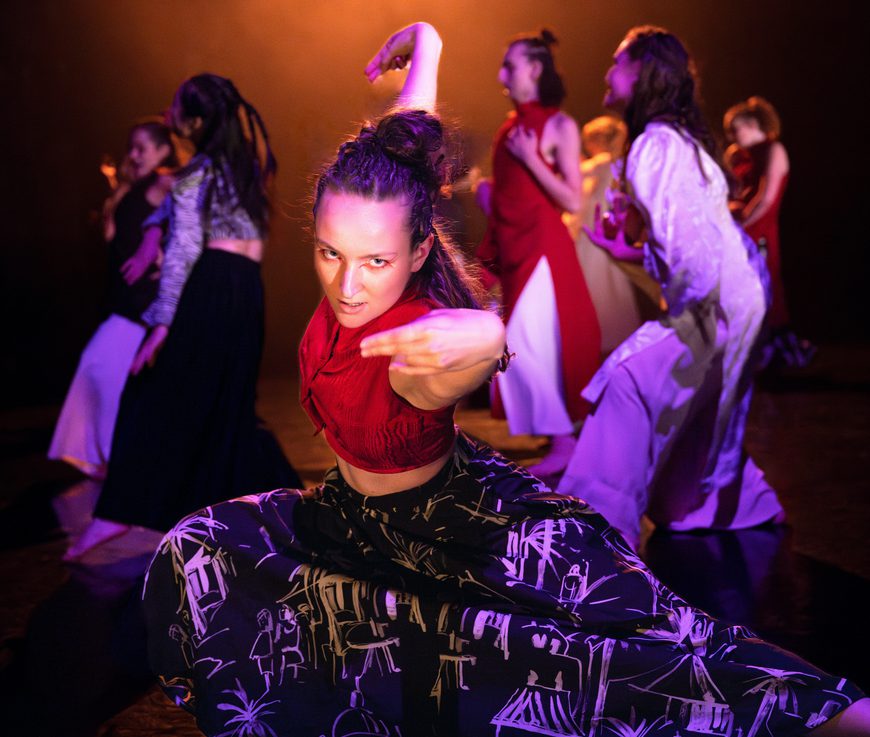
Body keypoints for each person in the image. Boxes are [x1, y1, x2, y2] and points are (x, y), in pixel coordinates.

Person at [141, 23, 869, 737]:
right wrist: (426, 42)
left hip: (447, 538)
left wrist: (483, 337)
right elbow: (406, 144)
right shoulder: (377, 207)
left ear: (419, 249)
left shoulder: (419, 336)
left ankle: (837, 716)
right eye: (330, 253)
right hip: (348, 521)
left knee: (636, 660)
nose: (348, 285)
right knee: (198, 551)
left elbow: (472, 348)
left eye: (375, 262)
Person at [556, 27, 785, 551]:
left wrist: (689, 326)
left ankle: (592, 532)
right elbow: (693, 244)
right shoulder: (675, 141)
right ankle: (738, 501)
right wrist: (629, 254)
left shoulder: (656, 145)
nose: (607, 72)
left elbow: (695, 258)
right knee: (680, 488)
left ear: (642, 72)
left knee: (628, 380)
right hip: (736, 298)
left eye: (617, 62)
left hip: (717, 304)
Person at [65, 74, 300, 560]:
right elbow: (179, 214)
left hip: (208, 287)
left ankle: (116, 514)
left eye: (176, 107)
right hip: (246, 294)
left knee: (150, 397)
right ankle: (281, 518)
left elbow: (182, 252)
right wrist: (157, 227)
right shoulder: (246, 168)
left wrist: (161, 326)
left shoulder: (198, 174)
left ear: (193, 122)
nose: (169, 115)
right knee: (228, 410)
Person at [475, 30, 600, 478]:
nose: (500, 76)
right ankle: (559, 437)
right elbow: (515, 198)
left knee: (526, 346)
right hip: (517, 248)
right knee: (527, 346)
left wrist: (531, 158)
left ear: (533, 69)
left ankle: (565, 441)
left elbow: (572, 199)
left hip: (544, 251)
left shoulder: (559, 125)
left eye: (509, 66)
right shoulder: (509, 129)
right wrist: (488, 195)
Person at [48, 121, 176, 480]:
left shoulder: (163, 182)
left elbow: (192, 212)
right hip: (125, 297)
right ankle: (109, 459)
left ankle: (110, 459)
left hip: (141, 301)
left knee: (99, 368)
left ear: (163, 151)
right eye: (131, 147)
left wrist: (162, 252)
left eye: (142, 148)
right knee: (108, 375)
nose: (133, 154)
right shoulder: (133, 188)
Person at [724, 96, 814, 368]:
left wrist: (741, 226)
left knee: (764, 286)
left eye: (736, 130)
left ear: (753, 125)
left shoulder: (773, 150)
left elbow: (766, 199)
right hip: (740, 228)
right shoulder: (740, 155)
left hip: (758, 230)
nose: (733, 137)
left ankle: (776, 352)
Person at [568, 115, 660, 353]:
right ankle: (617, 335)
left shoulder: (601, 162)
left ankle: (599, 336)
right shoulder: (620, 163)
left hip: (593, 230)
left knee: (595, 283)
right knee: (613, 282)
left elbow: (575, 177)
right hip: (609, 229)